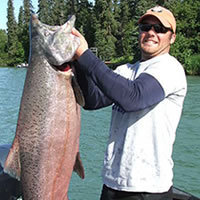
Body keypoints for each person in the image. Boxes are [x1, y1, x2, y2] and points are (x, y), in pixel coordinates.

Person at [72, 5, 187, 200]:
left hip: (148, 190)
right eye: (145, 27)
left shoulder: (170, 68)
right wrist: (77, 61)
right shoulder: (125, 70)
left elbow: (134, 98)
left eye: (159, 29)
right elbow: (92, 100)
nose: (151, 33)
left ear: (172, 37)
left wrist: (86, 55)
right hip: (112, 183)